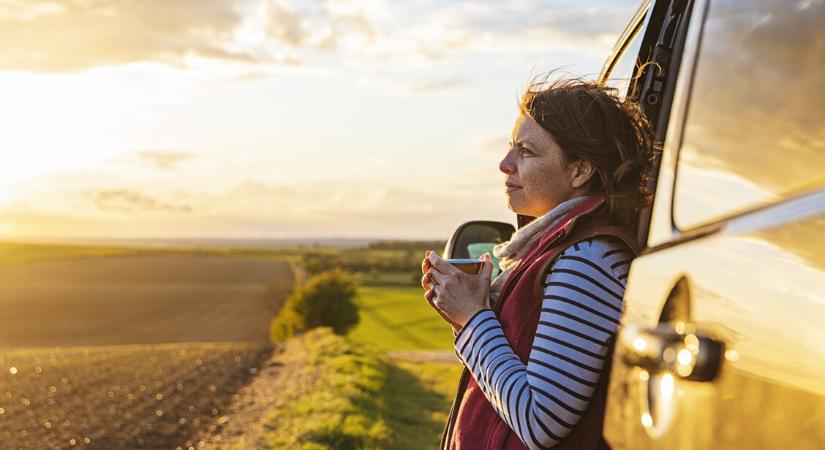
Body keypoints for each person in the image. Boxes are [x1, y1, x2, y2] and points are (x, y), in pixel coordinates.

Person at [421, 77, 654, 450]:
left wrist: (473, 318)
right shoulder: (558, 250)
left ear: (579, 171)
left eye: (526, 152)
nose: (504, 164)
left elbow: (540, 421)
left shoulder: (587, 260)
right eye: (511, 148)